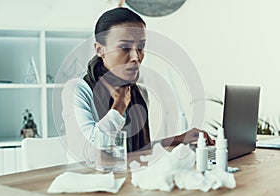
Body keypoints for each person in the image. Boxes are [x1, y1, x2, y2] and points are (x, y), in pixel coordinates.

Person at [74, 7, 214, 153]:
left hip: (129, 174)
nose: (136, 57)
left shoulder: (140, 92)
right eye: (124, 47)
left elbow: (139, 151)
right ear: (99, 49)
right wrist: (119, 105)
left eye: (141, 46)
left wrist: (180, 139)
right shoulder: (79, 91)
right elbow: (90, 150)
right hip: (90, 175)